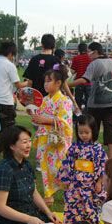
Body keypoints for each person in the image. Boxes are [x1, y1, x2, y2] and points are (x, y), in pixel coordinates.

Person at [0, 125, 65, 224]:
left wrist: (48, 212)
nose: (29, 145)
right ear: (12, 146)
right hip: (10, 221)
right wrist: (28, 219)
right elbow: (0, 207)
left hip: (29, 212)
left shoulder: (26, 165)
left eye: (29, 141)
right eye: (24, 142)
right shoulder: (4, 170)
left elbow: (34, 192)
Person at [68, 42, 112, 159]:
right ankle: (111, 155)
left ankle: (89, 151)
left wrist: (67, 84)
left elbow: (84, 80)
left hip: (96, 103)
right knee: (110, 128)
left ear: (95, 52)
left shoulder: (94, 63)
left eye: (89, 51)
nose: (88, 54)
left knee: (92, 127)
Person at [0, 42, 28, 168]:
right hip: (6, 102)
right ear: (10, 53)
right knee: (8, 132)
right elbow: (18, 85)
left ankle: (7, 157)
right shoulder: (9, 65)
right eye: (14, 54)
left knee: (5, 132)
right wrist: (28, 83)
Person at [32, 69, 73, 205]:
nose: (45, 84)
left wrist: (44, 119)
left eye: (49, 81)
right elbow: (38, 116)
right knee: (45, 167)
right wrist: (35, 117)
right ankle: (48, 195)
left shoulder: (64, 100)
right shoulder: (44, 100)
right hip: (45, 138)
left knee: (59, 167)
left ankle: (69, 190)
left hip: (58, 141)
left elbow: (65, 122)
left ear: (58, 83)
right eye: (45, 81)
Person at [58, 114, 107, 224]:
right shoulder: (74, 147)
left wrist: (99, 182)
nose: (83, 135)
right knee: (73, 205)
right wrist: (66, 180)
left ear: (93, 131)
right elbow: (68, 163)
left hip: (91, 184)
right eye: (80, 132)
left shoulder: (98, 148)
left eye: (86, 132)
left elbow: (103, 166)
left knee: (90, 207)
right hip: (75, 184)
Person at [23, 34, 59, 100]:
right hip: (51, 99)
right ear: (54, 45)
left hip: (36, 99)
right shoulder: (56, 61)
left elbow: (30, 82)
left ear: (42, 44)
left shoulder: (34, 59)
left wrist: (28, 101)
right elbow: (62, 82)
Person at [71, 43, 92, 111]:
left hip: (78, 83)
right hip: (89, 83)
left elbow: (73, 71)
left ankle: (78, 118)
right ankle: (88, 118)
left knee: (78, 102)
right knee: (88, 102)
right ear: (86, 49)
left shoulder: (76, 58)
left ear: (79, 49)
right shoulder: (90, 58)